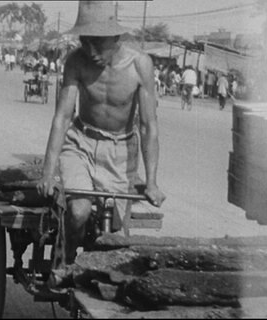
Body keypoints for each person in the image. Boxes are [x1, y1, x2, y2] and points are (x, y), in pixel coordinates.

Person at [37, 0, 166, 268]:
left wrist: (152, 182)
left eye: (98, 42)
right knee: (78, 211)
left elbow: (148, 125)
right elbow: (62, 117)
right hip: (80, 144)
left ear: (116, 38)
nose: (91, 50)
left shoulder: (140, 64)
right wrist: (48, 173)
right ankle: (66, 259)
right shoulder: (75, 61)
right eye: (85, 41)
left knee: (113, 232)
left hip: (120, 151)